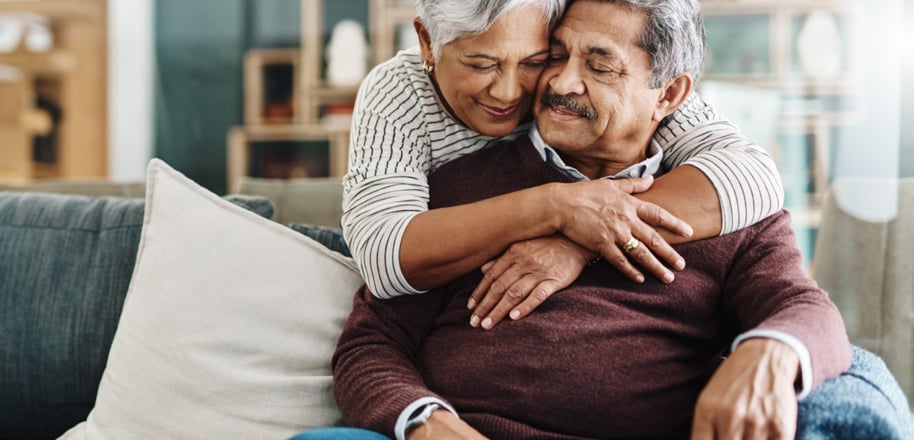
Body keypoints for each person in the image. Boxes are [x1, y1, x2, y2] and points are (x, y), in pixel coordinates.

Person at [324, 0, 857, 438]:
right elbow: (372, 342)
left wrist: (770, 351)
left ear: (669, 95)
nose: (560, 83)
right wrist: (425, 421)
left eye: (599, 65)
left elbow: (809, 310)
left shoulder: (726, 206)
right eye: (555, 55)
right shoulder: (458, 187)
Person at [342, 0, 784, 327]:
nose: (509, 93)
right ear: (427, 42)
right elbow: (382, 260)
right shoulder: (400, 93)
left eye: (535, 61)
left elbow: (755, 175)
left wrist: (581, 238)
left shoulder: (619, 90)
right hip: (409, 255)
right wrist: (556, 208)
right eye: (481, 63)